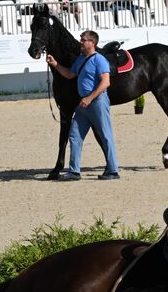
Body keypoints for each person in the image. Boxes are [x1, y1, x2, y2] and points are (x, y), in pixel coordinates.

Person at [47, 30, 119, 181]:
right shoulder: (81, 59)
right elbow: (70, 74)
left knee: (105, 136)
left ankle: (113, 170)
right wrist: (55, 64)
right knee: (74, 135)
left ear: (92, 43)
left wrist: (90, 98)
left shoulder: (99, 60)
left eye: (83, 40)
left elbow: (106, 82)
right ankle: (74, 171)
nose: (80, 42)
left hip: (97, 102)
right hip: (84, 104)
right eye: (81, 39)